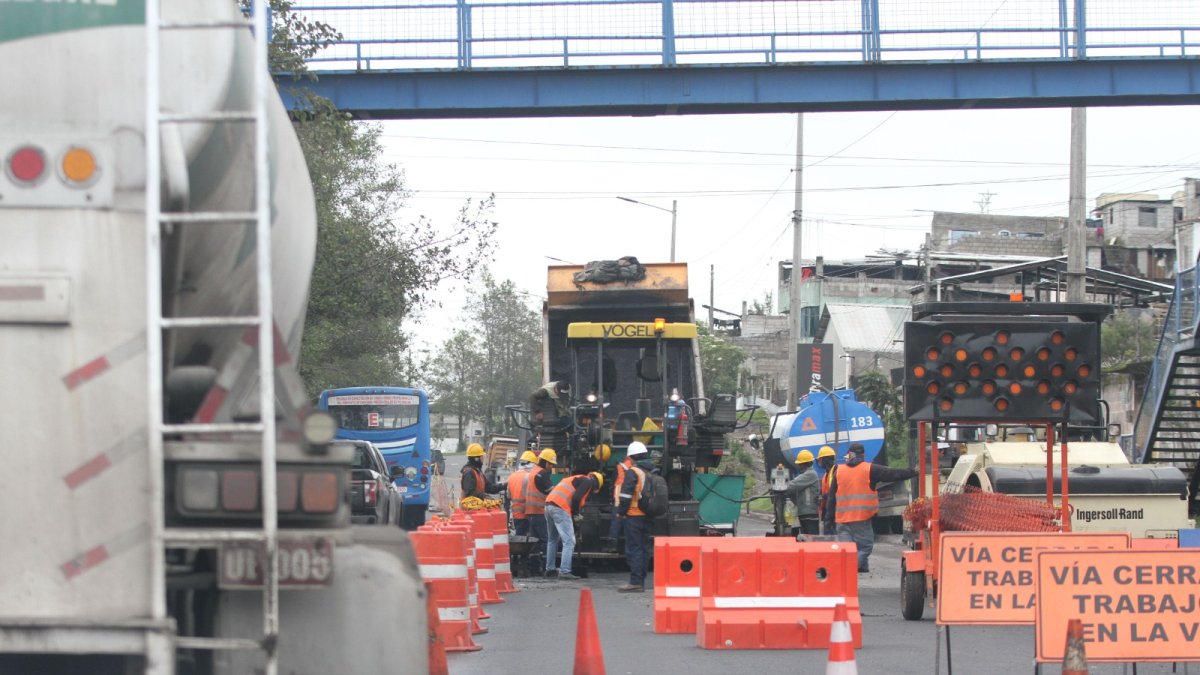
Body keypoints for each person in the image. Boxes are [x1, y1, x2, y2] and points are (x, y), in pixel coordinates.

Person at [828, 442, 917, 573]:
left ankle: (861, 567)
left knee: (847, 549)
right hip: (860, 518)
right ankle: (849, 569)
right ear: (863, 455)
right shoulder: (869, 469)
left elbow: (831, 497)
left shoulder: (839, 471)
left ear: (848, 455)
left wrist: (829, 519)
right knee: (865, 547)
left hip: (841, 519)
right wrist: (913, 472)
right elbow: (892, 474)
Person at [544, 471, 603, 580]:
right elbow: (576, 498)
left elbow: (572, 502)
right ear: (596, 484)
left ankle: (550, 570)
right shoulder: (588, 481)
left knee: (552, 539)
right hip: (560, 507)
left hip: (549, 506)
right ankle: (565, 571)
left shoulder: (575, 479)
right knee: (569, 542)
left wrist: (575, 526)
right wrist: (576, 514)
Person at [615, 446, 654, 592]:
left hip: (634, 515)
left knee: (635, 549)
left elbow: (626, 495)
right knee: (644, 549)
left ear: (631, 458)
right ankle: (641, 580)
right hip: (647, 515)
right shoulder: (651, 471)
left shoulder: (633, 472)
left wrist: (620, 512)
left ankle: (635, 582)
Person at [604, 441, 648, 551]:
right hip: (636, 501)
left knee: (616, 522)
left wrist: (612, 500)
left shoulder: (620, 467)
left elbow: (613, 484)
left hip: (620, 499)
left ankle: (612, 545)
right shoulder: (641, 468)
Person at [525, 448, 557, 544]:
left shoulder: (534, 470)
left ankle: (536, 554)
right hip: (539, 512)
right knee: (546, 540)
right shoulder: (542, 473)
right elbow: (552, 492)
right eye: (551, 464)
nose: (551, 467)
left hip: (531, 512)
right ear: (546, 462)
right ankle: (544, 554)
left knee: (535, 541)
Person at [786, 449, 820, 536]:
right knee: (806, 538)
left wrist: (782, 486)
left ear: (805, 464)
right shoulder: (806, 474)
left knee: (811, 538)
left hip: (809, 513)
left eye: (800, 464)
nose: (799, 466)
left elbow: (792, 486)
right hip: (805, 512)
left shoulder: (810, 474)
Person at [507, 450, 538, 536]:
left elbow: (508, 495)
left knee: (519, 537)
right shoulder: (530, 476)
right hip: (528, 513)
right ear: (531, 464)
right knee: (530, 538)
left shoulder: (511, 476)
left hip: (516, 513)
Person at [816, 446, 838, 535]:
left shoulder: (836, 471)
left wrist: (825, 496)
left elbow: (839, 490)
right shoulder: (826, 474)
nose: (819, 462)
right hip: (828, 511)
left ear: (825, 460)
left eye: (820, 459)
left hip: (835, 511)